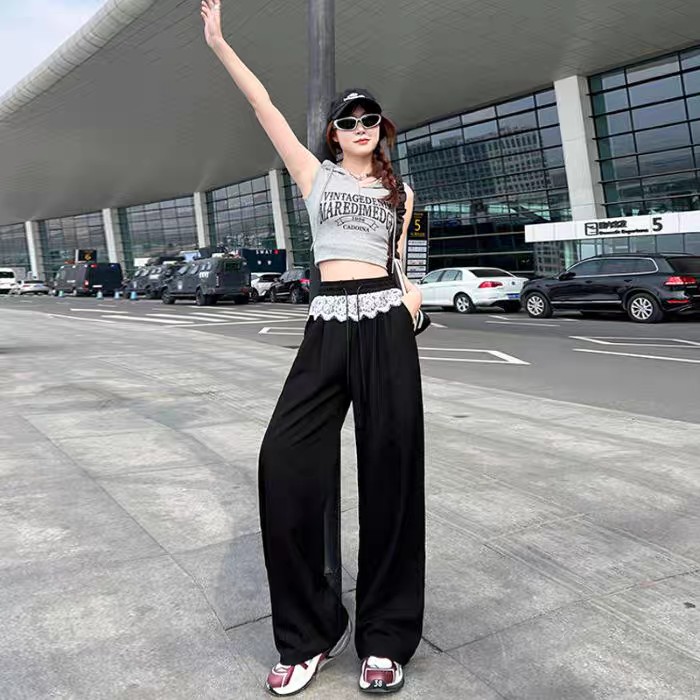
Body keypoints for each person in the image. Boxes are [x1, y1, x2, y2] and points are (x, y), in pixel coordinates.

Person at [201, 2, 425, 695]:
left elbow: (402, 258)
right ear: (333, 134)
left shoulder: (401, 192)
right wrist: (218, 42)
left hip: (386, 325)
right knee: (283, 463)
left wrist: (412, 293)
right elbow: (263, 105)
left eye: (369, 119)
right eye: (347, 121)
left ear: (381, 129)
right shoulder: (313, 175)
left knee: (392, 477)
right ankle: (310, 634)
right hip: (327, 326)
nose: (359, 128)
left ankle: (385, 637)